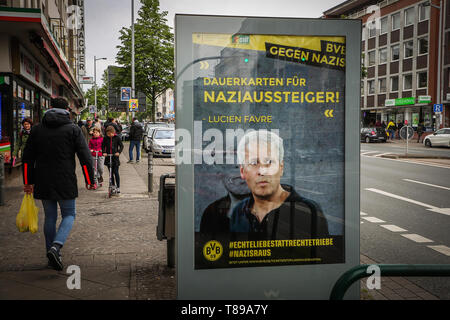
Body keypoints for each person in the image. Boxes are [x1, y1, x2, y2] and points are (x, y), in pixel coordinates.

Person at [22, 97, 95, 271]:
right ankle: (56, 247)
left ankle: (51, 255)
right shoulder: (73, 129)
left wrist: (28, 181)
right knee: (69, 214)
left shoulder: (37, 129)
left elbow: (27, 158)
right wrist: (90, 180)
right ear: (67, 111)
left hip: (43, 180)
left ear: (50, 108)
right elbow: (85, 157)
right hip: (65, 180)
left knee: (50, 217)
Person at [229, 130, 330, 240]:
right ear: (242, 171)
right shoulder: (239, 212)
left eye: (269, 162)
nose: (262, 171)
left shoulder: (309, 212)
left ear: (281, 168)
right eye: (254, 163)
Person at [102, 125, 124, 193]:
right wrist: (104, 152)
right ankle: (113, 186)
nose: (109, 135)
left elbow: (121, 146)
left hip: (115, 157)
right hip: (108, 157)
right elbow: (103, 146)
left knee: (116, 172)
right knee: (111, 173)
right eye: (108, 134)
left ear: (113, 132)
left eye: (110, 133)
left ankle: (118, 187)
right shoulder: (105, 138)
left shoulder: (117, 138)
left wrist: (118, 152)